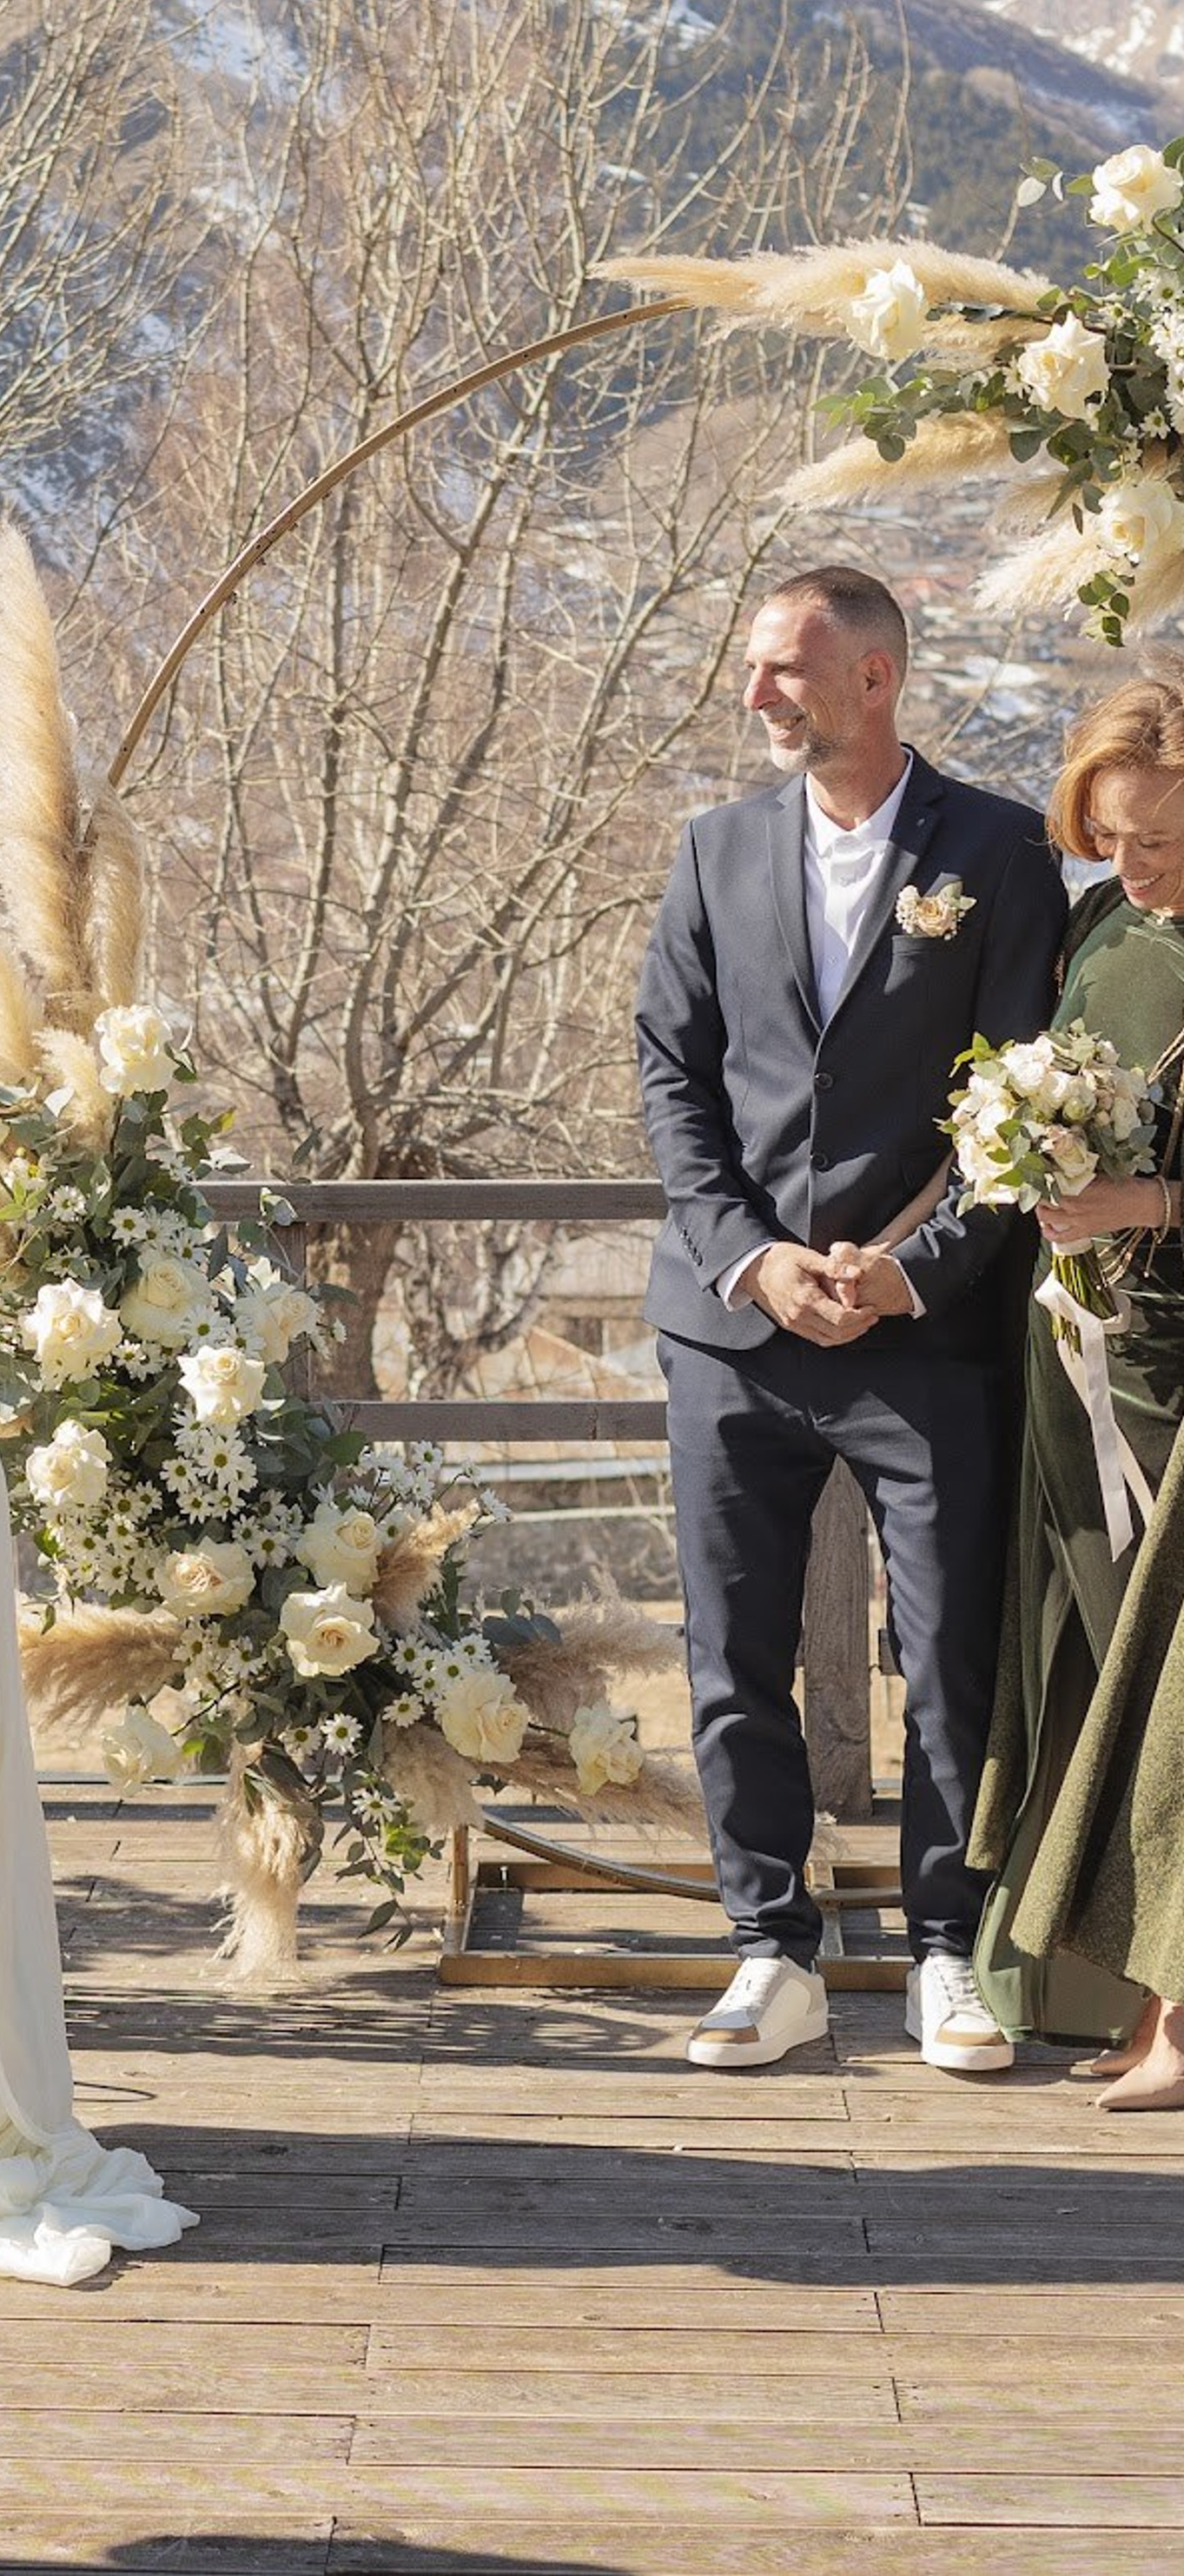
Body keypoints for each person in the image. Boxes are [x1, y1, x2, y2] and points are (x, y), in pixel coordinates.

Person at [635, 566, 1068, 2071]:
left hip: (926, 1332)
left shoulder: (1004, 853)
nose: (758, 694)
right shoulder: (711, 853)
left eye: (785, 670)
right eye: (755, 669)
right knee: (729, 1650)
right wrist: (754, 1263)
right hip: (731, 1328)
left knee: (948, 1649)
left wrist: (909, 1271)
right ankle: (769, 1951)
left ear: (875, 678)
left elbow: (1028, 1105)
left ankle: (949, 1950)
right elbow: (674, 1088)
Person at [968, 677, 1184, 2106]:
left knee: (1176, 1684)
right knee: (1098, 1656)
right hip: (1081, 1347)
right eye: (1112, 836)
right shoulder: (1102, 926)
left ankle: (1180, 2021)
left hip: (1177, 1359)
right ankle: (1108, 1984)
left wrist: (1138, 1200)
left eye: (1163, 838)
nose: (1135, 866)